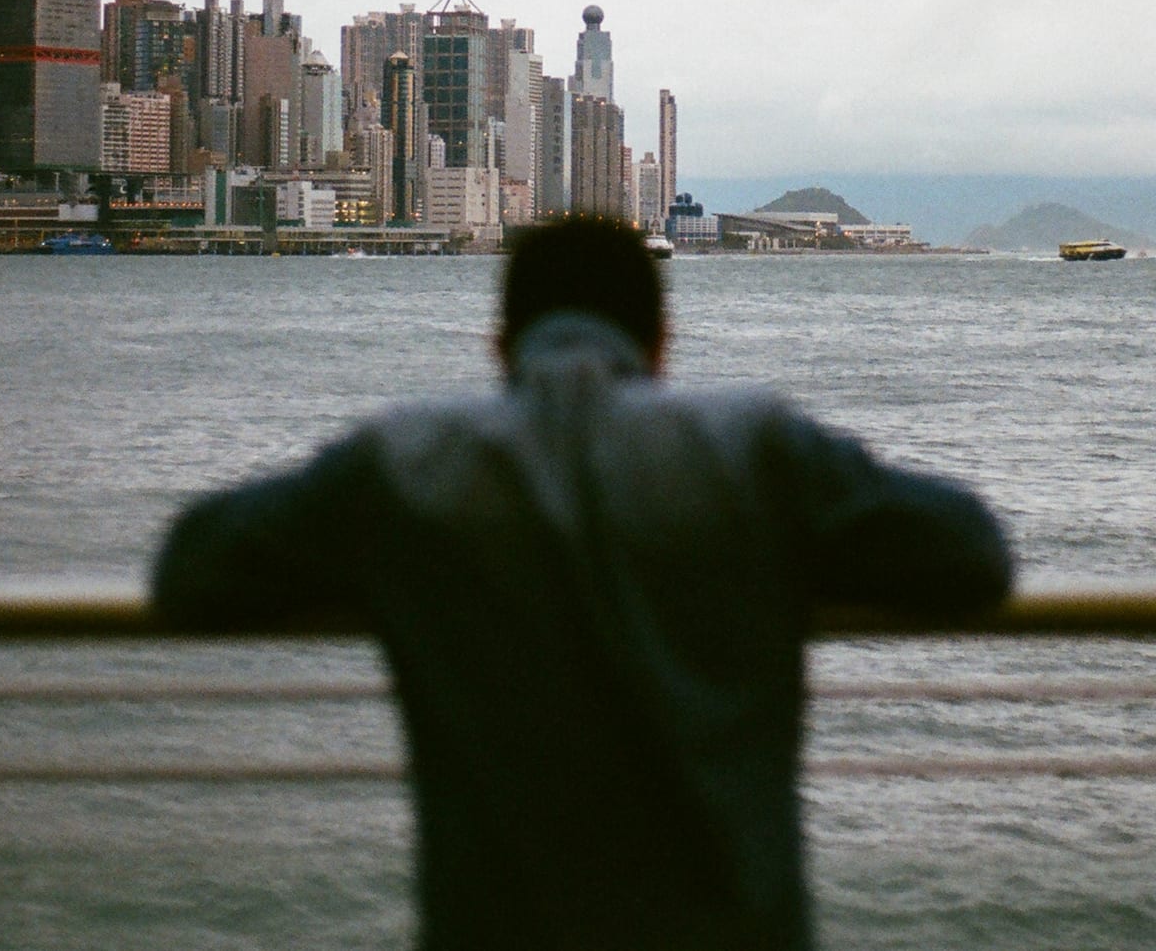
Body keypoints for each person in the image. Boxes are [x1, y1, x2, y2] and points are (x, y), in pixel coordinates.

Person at [153, 217, 1012, 951]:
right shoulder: (757, 449)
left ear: (500, 348)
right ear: (660, 343)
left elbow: (193, 567)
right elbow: (971, 554)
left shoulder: (404, 464)